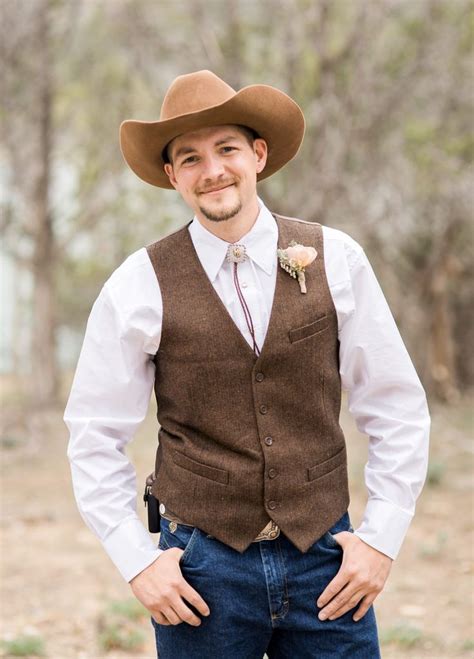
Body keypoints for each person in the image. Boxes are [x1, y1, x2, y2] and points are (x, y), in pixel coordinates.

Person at [64, 70, 430, 658]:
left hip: (327, 566)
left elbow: (395, 406)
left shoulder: (336, 257)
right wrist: (137, 561)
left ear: (258, 155)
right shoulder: (137, 284)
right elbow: (93, 433)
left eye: (226, 149)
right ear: (172, 176)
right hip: (202, 575)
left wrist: (380, 541)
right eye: (190, 158)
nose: (212, 170)